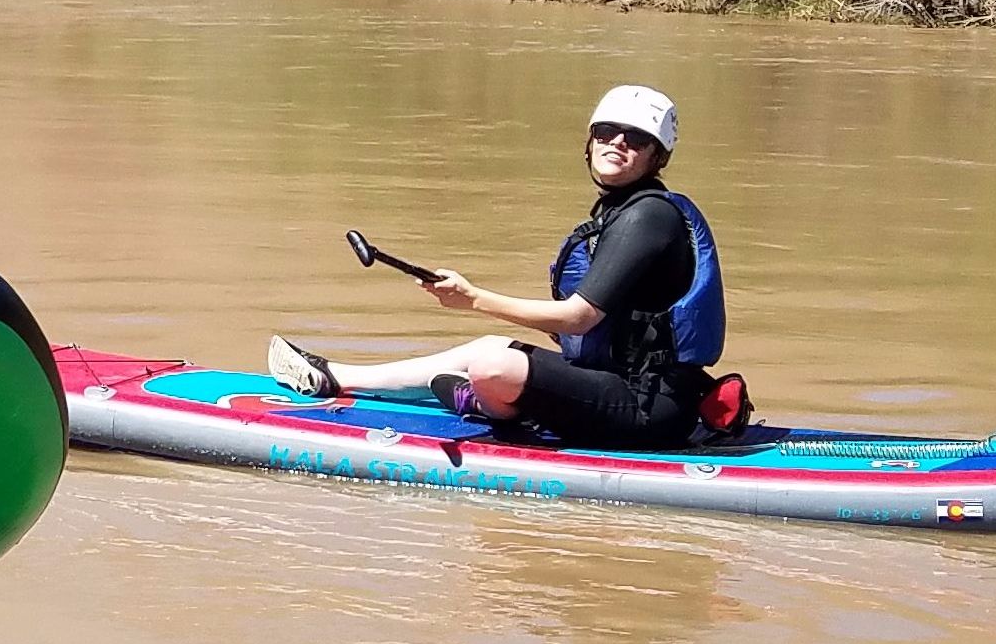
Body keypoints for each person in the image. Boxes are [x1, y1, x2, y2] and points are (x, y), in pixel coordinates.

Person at [267, 85, 726, 449]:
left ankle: (494, 403)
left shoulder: (648, 215)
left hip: (649, 410)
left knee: (492, 365)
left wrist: (473, 299)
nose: (617, 143)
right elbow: (605, 328)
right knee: (488, 349)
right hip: (622, 386)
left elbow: (579, 317)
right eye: (606, 132)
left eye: (636, 138)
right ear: (588, 143)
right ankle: (334, 377)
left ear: (657, 156)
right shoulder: (620, 213)